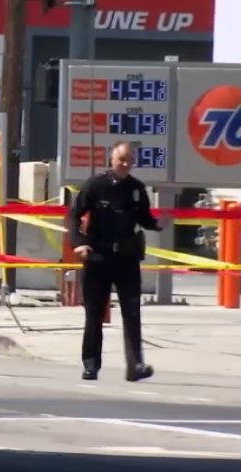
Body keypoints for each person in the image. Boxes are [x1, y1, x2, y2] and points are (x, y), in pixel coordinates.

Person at [67, 141, 162, 382]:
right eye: (122, 159)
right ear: (112, 160)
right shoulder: (95, 185)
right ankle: (91, 365)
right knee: (94, 314)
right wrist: (78, 243)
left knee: (132, 312)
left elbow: (145, 218)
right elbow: (73, 215)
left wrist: (159, 224)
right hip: (98, 257)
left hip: (126, 259)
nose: (126, 164)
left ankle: (135, 365)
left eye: (130, 160)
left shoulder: (137, 189)